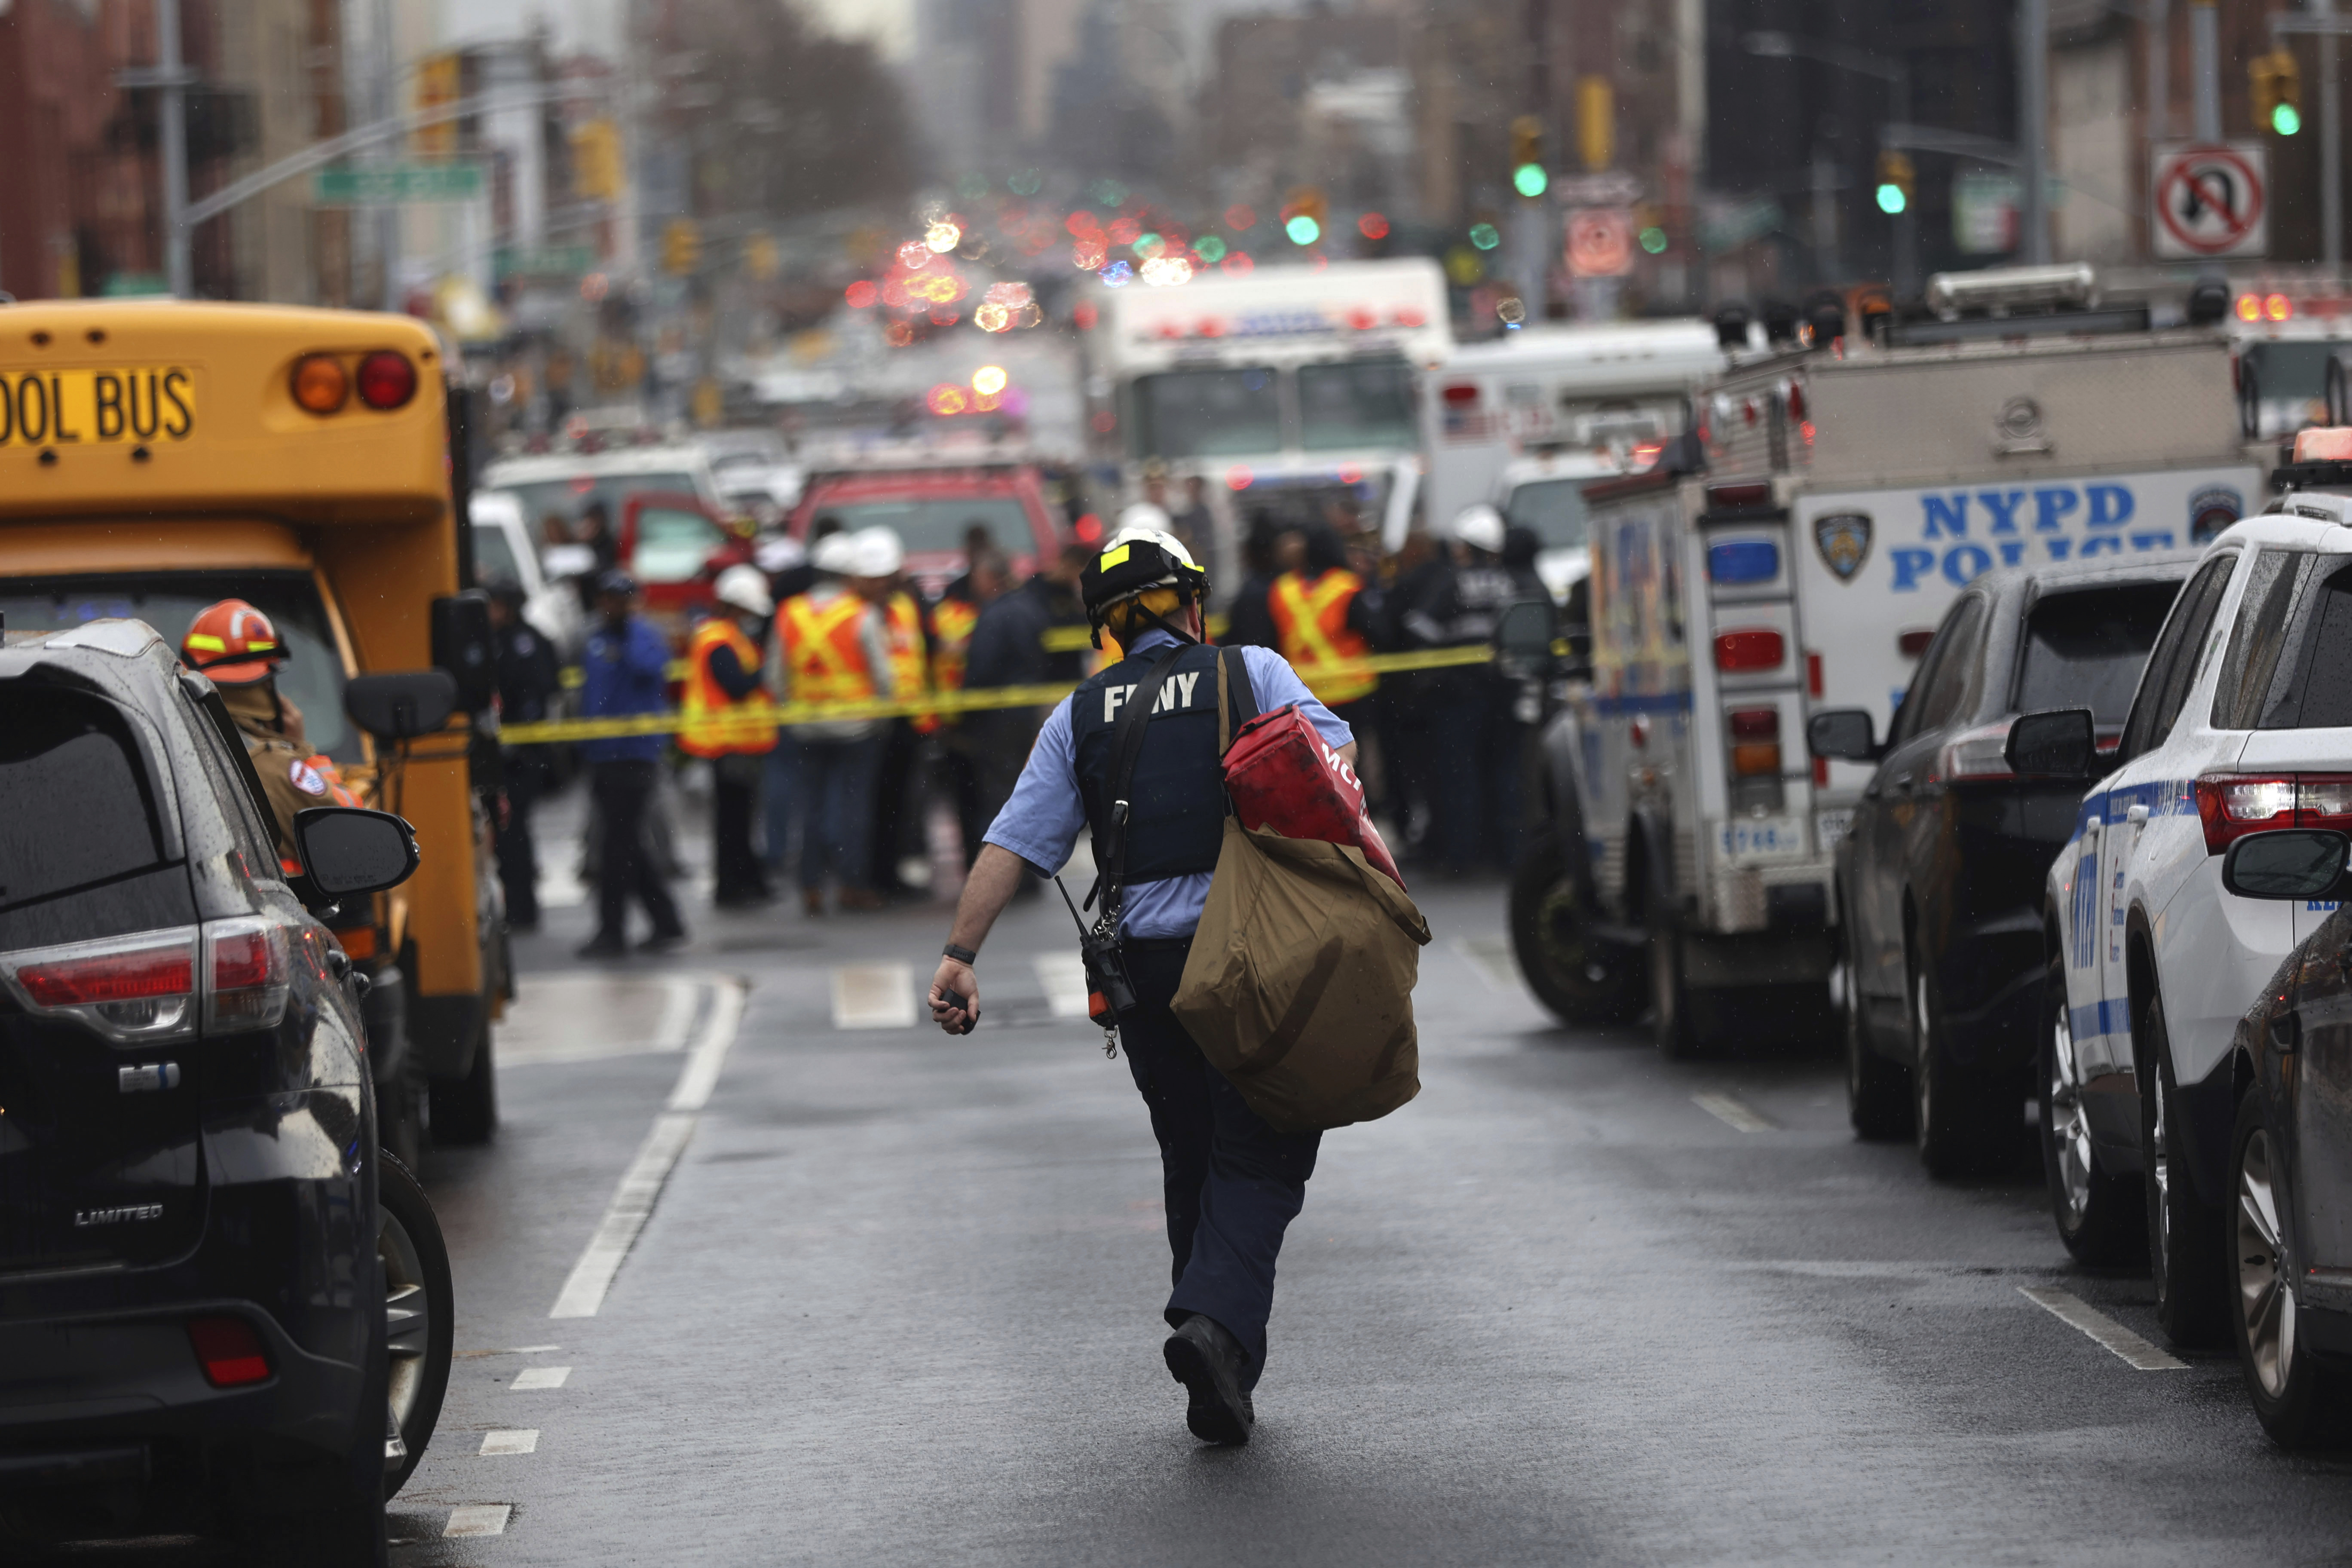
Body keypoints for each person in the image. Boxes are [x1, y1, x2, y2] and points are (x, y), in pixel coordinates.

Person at [925, 525, 1357, 1448]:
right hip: (1254, 954)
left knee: (1190, 1151)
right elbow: (1334, 769)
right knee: (1265, 1151)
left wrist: (961, 953)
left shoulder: (1079, 715)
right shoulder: (1255, 674)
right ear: (1191, 603)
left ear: (1107, 630)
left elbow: (1015, 842)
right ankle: (1212, 1326)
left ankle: (1218, 1362)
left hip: (1146, 976)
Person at [1403, 504, 1546, 876]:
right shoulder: (1512, 582)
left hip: (1458, 695)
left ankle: (1463, 857)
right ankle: (1509, 854)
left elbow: (1419, 628)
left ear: (1465, 546)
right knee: (1505, 775)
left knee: (1460, 776)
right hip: (1503, 693)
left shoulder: (1452, 582)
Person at [178, 599, 362, 868]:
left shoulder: (173, 741)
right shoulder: (271, 765)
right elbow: (359, 839)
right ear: (265, 685)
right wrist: (302, 753)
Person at [774, 530, 894, 914]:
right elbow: (885, 678)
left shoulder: (790, 613)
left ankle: (811, 888)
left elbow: (774, 679)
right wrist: (879, 714)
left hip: (806, 727)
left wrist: (798, 708)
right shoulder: (862, 614)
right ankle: (851, 885)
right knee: (852, 808)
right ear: (848, 575)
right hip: (856, 729)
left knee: (808, 808)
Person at [577, 570, 688, 957]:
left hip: (634, 754)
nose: (614, 606)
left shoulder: (643, 635)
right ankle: (666, 922)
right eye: (609, 598)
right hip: (603, 753)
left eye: (623, 599)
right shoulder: (594, 639)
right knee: (626, 845)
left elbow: (648, 669)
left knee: (617, 848)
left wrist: (627, 633)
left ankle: (613, 931)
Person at [960, 540, 1089, 863]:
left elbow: (981, 669)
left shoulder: (994, 613)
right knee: (1022, 788)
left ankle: (1001, 865)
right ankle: (1025, 866)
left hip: (996, 717)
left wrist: (963, 708)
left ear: (990, 576)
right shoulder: (1029, 606)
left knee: (998, 793)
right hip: (1024, 713)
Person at [681, 564, 779, 908]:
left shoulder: (730, 636)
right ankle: (733, 885)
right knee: (733, 820)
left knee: (739, 817)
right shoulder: (718, 639)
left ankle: (746, 879)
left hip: (738, 742)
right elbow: (736, 686)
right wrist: (767, 672)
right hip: (727, 743)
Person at [856, 527, 930, 900]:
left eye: (885, 577)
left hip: (906, 719)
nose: (880, 584)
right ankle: (872, 877)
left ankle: (890, 874)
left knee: (898, 804)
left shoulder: (905, 606)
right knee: (873, 805)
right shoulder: (856, 612)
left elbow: (917, 656)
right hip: (871, 721)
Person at [487, 580, 564, 931]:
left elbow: (538, 693)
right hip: (504, 756)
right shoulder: (498, 640)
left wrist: (520, 744)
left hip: (522, 758)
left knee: (515, 833)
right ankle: (515, 905)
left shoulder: (527, 643)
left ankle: (523, 909)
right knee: (506, 835)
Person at [933, 546, 1010, 869]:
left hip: (979, 719)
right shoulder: (954, 615)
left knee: (981, 796)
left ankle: (982, 861)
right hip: (956, 719)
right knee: (972, 796)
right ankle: (976, 860)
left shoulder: (991, 616)